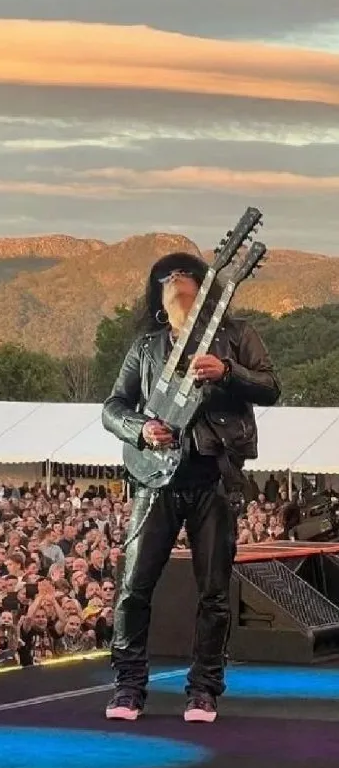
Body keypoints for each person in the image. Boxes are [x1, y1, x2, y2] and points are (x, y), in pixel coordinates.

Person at [102, 251, 280, 722]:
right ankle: (127, 685)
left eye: (187, 277)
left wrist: (229, 371)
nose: (177, 283)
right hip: (155, 477)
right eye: (168, 280)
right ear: (158, 297)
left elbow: (270, 386)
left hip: (213, 475)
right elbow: (113, 406)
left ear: (206, 289)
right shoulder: (146, 346)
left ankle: (203, 689)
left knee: (214, 592)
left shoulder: (237, 336)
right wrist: (140, 429)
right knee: (134, 586)